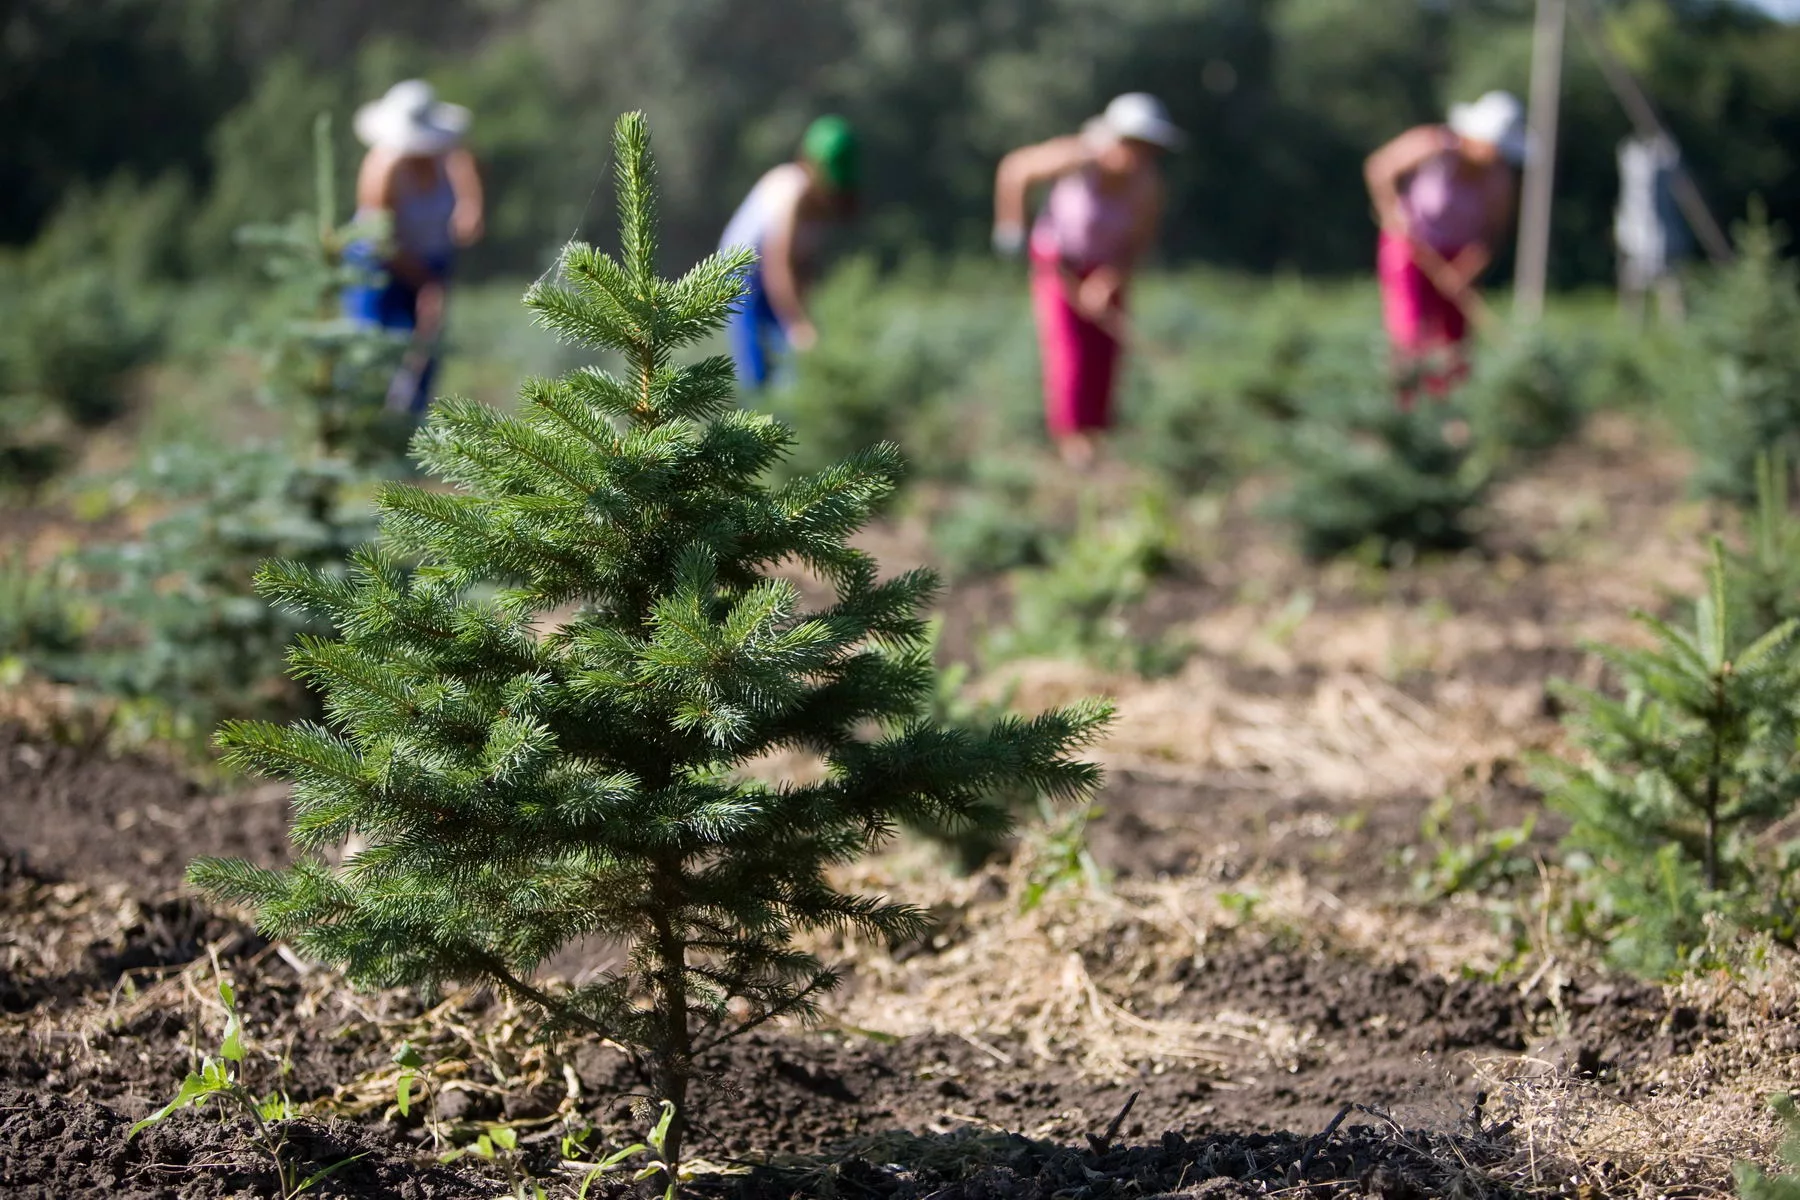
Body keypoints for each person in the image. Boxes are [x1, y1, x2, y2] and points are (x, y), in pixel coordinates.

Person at [992, 93, 1182, 468]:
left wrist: (1109, 280)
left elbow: (1137, 244)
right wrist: (1011, 226)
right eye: (1133, 144)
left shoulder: (1147, 186)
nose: (1139, 154)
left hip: (1106, 269)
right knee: (1069, 352)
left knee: (1104, 353)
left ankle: (1096, 436)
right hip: (1058, 266)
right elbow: (1015, 170)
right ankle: (1072, 442)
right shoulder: (1078, 158)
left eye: (1147, 147)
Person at [1364, 90, 1525, 406]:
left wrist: (1466, 270)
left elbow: (1493, 234)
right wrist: (1391, 212)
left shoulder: (1499, 178)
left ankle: (1448, 411)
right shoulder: (1432, 145)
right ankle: (1404, 409)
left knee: (1454, 338)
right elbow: (1379, 169)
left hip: (1459, 255)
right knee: (1409, 330)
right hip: (1410, 248)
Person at [343, 80, 485, 417]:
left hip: (432, 260)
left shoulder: (447, 156)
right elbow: (381, 240)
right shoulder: (383, 168)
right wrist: (425, 282)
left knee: (426, 347)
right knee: (373, 343)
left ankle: (409, 429)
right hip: (377, 267)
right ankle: (363, 422)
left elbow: (466, 167)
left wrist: (470, 208)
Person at [718, 115, 860, 388]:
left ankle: (789, 422)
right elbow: (777, 264)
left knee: (792, 364)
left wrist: (805, 314)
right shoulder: (790, 190)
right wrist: (797, 323)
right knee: (757, 365)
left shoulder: (827, 204)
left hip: (778, 280)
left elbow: (804, 263)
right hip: (740, 274)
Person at [1615, 132, 1689, 327]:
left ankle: (1673, 325)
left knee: (1667, 281)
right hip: (1637, 233)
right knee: (1637, 280)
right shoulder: (1635, 161)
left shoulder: (1661, 162)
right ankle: (1633, 323)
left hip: (1658, 234)